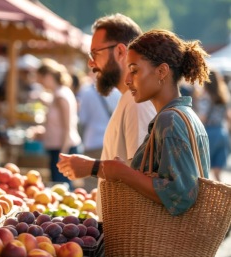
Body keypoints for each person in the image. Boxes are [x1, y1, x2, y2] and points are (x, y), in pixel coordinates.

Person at [57, 29, 211, 217]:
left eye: (134, 71)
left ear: (162, 71)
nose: (128, 80)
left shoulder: (169, 119)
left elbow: (179, 195)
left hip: (157, 243)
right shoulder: (185, 116)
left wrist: (117, 170)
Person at [60, 13, 156, 220]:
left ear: (121, 51)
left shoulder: (137, 103)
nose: (91, 63)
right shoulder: (129, 99)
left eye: (95, 53)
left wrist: (91, 167)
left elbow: (143, 179)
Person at [36, 58, 82, 188]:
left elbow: (68, 128)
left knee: (62, 188)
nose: (40, 83)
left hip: (62, 149)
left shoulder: (61, 95)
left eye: (41, 78)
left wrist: (63, 154)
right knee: (59, 188)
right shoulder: (58, 94)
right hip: (58, 149)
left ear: (49, 76)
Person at [195, 69, 230, 181]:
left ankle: (204, 197)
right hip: (222, 133)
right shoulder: (224, 97)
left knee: (202, 171)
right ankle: (223, 196)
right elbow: (228, 117)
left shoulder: (206, 98)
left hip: (209, 134)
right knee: (217, 173)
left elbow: (202, 118)